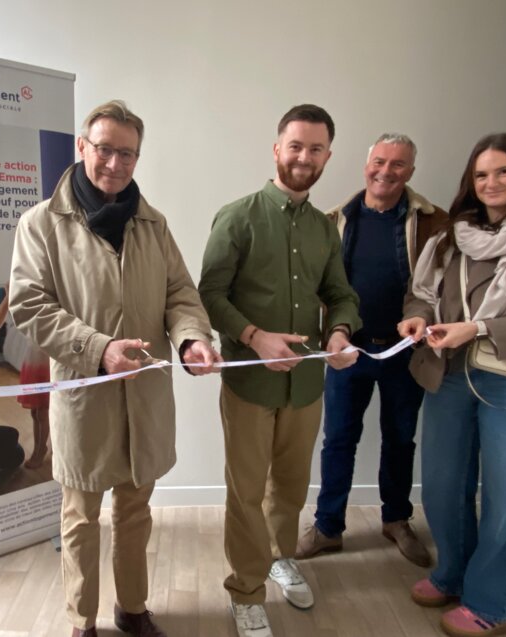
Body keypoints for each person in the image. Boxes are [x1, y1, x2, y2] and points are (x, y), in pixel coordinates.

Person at [9, 99, 221, 637]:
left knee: (135, 513)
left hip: (145, 399)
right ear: (82, 147)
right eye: (105, 149)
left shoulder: (153, 224)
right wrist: (97, 347)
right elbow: (29, 305)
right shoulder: (41, 224)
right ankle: (82, 621)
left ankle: (132, 608)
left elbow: (180, 293)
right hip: (86, 398)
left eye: (128, 153)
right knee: (81, 518)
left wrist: (192, 339)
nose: (115, 163)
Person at [397, 132, 506, 637]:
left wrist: (481, 329)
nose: (491, 182)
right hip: (448, 372)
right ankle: (452, 574)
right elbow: (420, 295)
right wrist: (417, 320)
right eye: (481, 174)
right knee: (443, 484)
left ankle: (494, 603)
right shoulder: (451, 237)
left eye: (503, 172)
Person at [198, 104, 361, 637]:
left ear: (327, 157)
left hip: (307, 385)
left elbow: (340, 295)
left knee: (289, 486)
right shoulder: (238, 216)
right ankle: (246, 592)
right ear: (276, 149)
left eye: (315, 149)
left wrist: (339, 332)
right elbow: (210, 294)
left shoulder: (324, 228)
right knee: (245, 491)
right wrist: (253, 336)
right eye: (295, 146)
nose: (304, 157)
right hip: (249, 381)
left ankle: (280, 557)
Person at [296, 133, 447, 567]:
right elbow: (319, 289)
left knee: (400, 439)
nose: (386, 170)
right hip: (348, 351)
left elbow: (440, 288)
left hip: (405, 353)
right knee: (338, 440)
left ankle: (396, 520)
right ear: (366, 165)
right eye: (379, 161)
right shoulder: (334, 220)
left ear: (411, 173)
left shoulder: (435, 221)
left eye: (398, 164)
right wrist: (328, 337)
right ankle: (328, 527)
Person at [17, 343, 51, 469]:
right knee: (35, 411)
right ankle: (39, 447)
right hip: (35, 355)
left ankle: (40, 449)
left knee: (43, 411)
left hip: (50, 356)